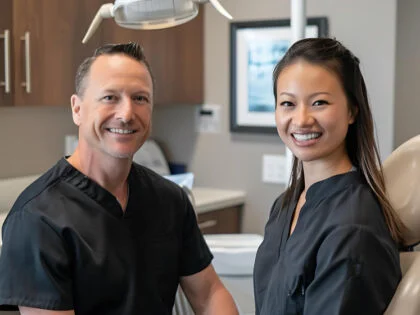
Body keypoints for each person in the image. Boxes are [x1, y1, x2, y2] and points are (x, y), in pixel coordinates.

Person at [0, 42, 238, 315]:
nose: (126, 114)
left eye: (140, 98)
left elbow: (209, 294)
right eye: (110, 97)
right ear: (77, 109)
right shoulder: (37, 219)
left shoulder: (170, 200)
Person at [253, 38, 405, 315]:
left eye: (319, 102)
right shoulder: (285, 205)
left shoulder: (352, 229)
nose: (301, 120)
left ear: (351, 110)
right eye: (287, 103)